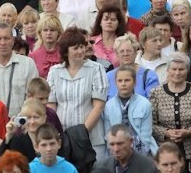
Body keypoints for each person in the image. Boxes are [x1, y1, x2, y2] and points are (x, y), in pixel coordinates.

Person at [47, 27, 109, 157]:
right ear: (65, 51)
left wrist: (82, 132)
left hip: (91, 138)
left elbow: (99, 106)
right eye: (75, 48)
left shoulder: (96, 69)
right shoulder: (54, 71)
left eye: (82, 46)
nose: (80, 51)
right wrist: (59, 134)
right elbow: (51, 106)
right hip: (63, 137)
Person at [149, 53, 191, 173]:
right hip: (166, 153)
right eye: (174, 69)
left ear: (187, 70)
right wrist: (165, 133)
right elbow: (150, 124)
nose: (177, 73)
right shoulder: (156, 93)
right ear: (167, 70)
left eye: (181, 69)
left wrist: (189, 132)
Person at [0, 23, 39, 117]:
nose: (3, 43)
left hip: (23, 125)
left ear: (12, 40)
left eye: (6, 38)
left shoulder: (28, 64)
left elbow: (35, 97)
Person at [104, 64, 158, 156]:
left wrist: (141, 158)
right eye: (120, 81)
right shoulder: (109, 105)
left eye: (127, 80)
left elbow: (146, 136)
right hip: (117, 150)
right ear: (115, 83)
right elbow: (108, 134)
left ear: (135, 82)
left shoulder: (144, 104)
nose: (123, 84)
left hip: (141, 150)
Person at [93, 124, 159, 173]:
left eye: (120, 144)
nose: (116, 149)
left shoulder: (149, 166)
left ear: (131, 142)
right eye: (112, 144)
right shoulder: (100, 167)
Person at [106, 33, 159, 100]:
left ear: (135, 53)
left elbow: (154, 104)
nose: (125, 54)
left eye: (129, 51)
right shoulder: (108, 77)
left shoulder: (149, 76)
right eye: (122, 51)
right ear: (117, 54)